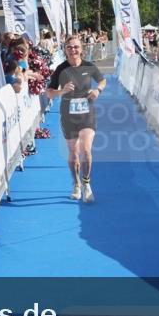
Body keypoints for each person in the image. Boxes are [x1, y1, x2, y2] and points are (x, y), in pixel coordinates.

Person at [46, 35, 106, 203]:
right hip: (67, 114)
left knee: (86, 150)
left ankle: (87, 184)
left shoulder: (89, 66)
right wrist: (61, 91)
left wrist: (97, 91)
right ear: (65, 50)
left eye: (76, 47)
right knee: (73, 153)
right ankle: (76, 184)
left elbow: (102, 81)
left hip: (87, 114)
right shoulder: (60, 69)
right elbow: (49, 92)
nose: (73, 50)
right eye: (69, 47)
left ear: (81, 49)